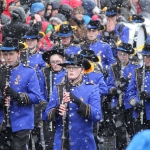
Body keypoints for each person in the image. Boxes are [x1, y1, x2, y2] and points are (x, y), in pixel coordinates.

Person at [45, 54, 102, 150]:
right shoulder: (59, 88)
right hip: (62, 142)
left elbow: (97, 115)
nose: (71, 70)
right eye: (68, 67)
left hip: (83, 142)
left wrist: (79, 102)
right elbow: (46, 115)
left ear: (82, 70)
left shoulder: (92, 89)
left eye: (75, 67)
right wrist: (56, 110)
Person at [0, 37, 47, 150]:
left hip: (22, 121)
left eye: (11, 54)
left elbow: (36, 97)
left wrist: (17, 96)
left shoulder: (29, 71)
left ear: (18, 53)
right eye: (5, 54)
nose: (8, 57)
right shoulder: (1, 71)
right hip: (2, 121)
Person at [107, 42, 140, 149]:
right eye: (120, 54)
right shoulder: (113, 68)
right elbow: (108, 86)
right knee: (120, 133)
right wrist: (115, 90)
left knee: (133, 131)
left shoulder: (136, 67)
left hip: (131, 104)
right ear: (116, 54)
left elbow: (138, 86)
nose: (122, 57)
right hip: (118, 104)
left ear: (128, 55)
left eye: (124, 54)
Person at [38, 46, 66, 149]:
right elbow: (39, 91)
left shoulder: (68, 72)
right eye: (53, 62)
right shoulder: (44, 72)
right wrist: (44, 103)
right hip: (48, 110)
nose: (55, 64)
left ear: (63, 60)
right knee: (49, 141)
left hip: (64, 110)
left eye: (58, 61)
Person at [126, 42, 150, 134]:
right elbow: (129, 93)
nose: (148, 59)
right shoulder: (137, 72)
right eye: (146, 56)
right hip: (139, 114)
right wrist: (135, 103)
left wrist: (149, 95)